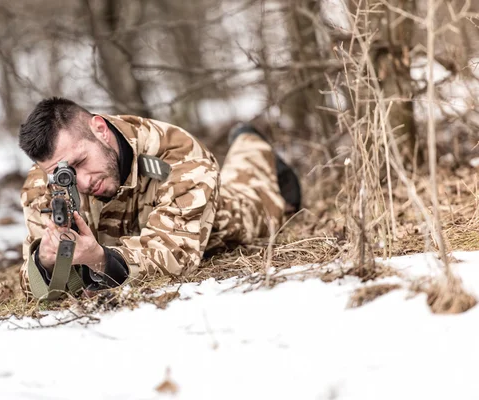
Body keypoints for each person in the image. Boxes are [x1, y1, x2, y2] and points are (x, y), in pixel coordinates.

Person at [18, 97, 301, 298]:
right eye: (64, 174)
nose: (82, 182)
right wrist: (46, 261)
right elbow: (31, 283)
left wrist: (102, 260)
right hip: (133, 241)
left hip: (219, 221)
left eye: (80, 162)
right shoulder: (43, 182)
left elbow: (177, 254)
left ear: (100, 130)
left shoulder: (175, 153)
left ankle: (249, 141)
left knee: (259, 203)